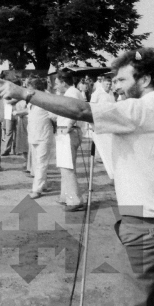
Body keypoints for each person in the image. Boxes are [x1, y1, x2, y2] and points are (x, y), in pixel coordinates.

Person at [0, 47, 154, 306]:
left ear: (144, 80)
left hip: (146, 225)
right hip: (143, 217)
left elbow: (81, 111)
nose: (115, 85)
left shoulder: (142, 108)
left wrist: (25, 93)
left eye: (121, 79)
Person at [52, 70, 86, 210]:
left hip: (68, 132)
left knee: (67, 167)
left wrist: (69, 126)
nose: (55, 87)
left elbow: (75, 111)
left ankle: (75, 201)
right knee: (64, 166)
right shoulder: (71, 92)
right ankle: (66, 196)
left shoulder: (72, 93)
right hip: (65, 131)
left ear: (63, 83)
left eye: (57, 84)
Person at [25, 77, 54, 199]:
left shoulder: (47, 99)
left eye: (29, 87)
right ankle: (43, 185)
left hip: (43, 135)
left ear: (36, 89)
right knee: (37, 162)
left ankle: (37, 190)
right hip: (34, 135)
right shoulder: (32, 99)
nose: (27, 90)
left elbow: (54, 116)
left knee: (41, 163)